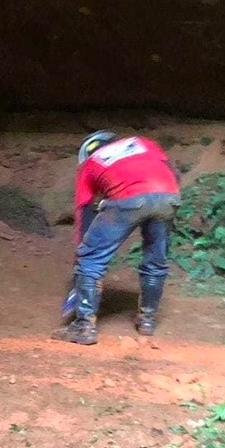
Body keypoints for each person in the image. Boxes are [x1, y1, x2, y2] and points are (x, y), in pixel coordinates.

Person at [54, 131, 182, 346]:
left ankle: (83, 326)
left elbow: (84, 212)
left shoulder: (90, 164)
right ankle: (147, 320)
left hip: (129, 198)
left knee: (91, 260)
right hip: (168, 195)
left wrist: (82, 252)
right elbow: (171, 172)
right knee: (155, 260)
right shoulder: (142, 143)